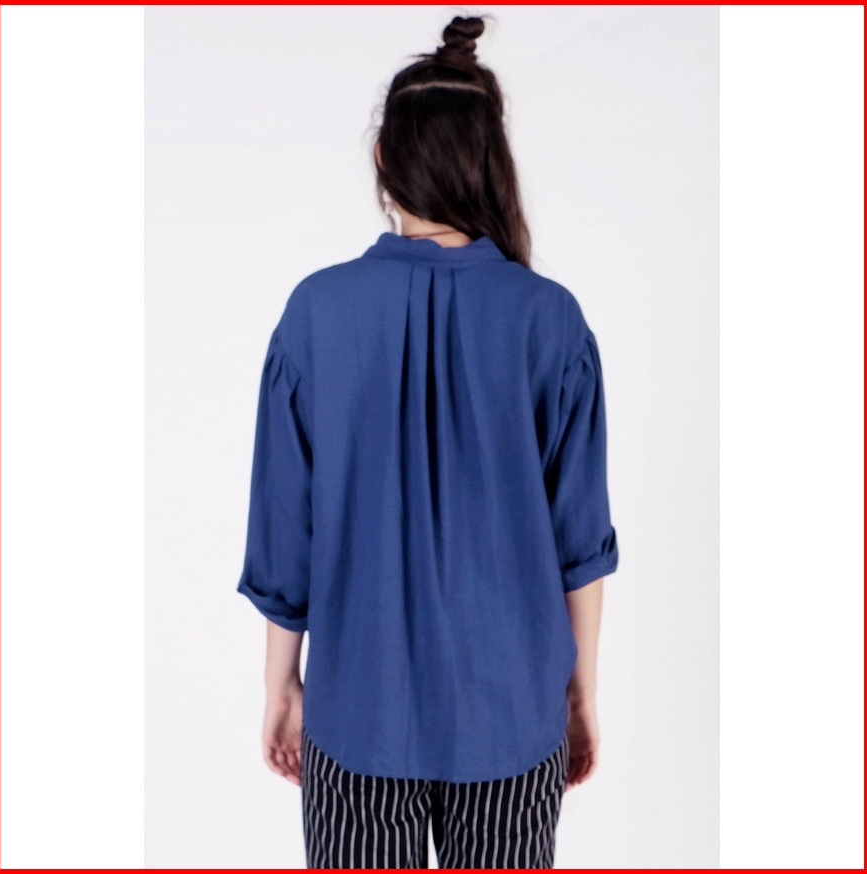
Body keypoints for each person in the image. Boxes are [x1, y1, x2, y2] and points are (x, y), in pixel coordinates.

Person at [236, 13, 619, 869]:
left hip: (358, 712)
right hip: (513, 714)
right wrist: (581, 692)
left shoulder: (316, 313)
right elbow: (580, 541)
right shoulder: (550, 319)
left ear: (383, 158)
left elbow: (283, 529)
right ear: (488, 162)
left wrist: (280, 682)